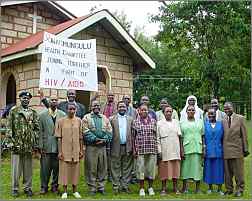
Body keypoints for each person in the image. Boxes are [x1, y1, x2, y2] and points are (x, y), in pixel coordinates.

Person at [6, 91, 40, 197]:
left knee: (28, 169)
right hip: (17, 145)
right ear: (20, 99)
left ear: (29, 100)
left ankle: (27, 188)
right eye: (23, 98)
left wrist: (33, 140)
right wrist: (11, 143)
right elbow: (9, 128)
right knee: (16, 169)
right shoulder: (14, 111)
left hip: (28, 146)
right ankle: (15, 188)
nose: (25, 100)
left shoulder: (33, 113)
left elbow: (37, 128)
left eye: (27, 98)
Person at [82, 100, 112, 195]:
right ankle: (92, 187)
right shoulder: (86, 118)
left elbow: (109, 131)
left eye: (98, 105)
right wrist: (95, 139)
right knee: (91, 168)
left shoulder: (105, 118)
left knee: (102, 167)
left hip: (102, 147)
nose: (96, 107)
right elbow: (85, 131)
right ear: (91, 107)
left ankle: (101, 187)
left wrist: (105, 139)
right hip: (91, 147)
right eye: (94, 105)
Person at [55, 103, 83, 199]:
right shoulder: (61, 121)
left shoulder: (79, 121)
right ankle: (65, 191)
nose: (71, 111)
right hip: (65, 149)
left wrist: (81, 150)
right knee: (64, 170)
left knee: (75, 169)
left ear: (75, 110)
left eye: (73, 109)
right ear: (66, 110)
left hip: (76, 149)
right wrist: (60, 151)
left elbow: (80, 137)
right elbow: (59, 138)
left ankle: (75, 190)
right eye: (70, 109)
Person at [38, 95, 66, 194]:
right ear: (49, 102)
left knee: (57, 168)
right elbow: (40, 132)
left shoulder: (62, 115)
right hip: (46, 146)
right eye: (52, 100)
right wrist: (40, 146)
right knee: (45, 169)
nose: (54, 101)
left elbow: (64, 132)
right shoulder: (42, 115)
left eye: (55, 100)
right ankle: (44, 186)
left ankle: (55, 186)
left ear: (58, 102)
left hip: (58, 147)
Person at [223, 102, 249, 197]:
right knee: (227, 172)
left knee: (238, 172)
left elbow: (244, 135)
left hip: (237, 149)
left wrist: (245, 149)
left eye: (228, 108)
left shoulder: (240, 118)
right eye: (225, 109)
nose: (227, 110)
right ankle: (229, 189)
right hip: (226, 150)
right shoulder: (223, 120)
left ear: (232, 108)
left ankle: (240, 189)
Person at [132, 103, 157, 196]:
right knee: (141, 169)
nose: (144, 111)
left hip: (151, 149)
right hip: (140, 149)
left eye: (145, 110)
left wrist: (157, 149)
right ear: (139, 111)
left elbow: (156, 135)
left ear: (148, 110)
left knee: (151, 169)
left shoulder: (154, 121)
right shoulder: (135, 122)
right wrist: (134, 150)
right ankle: (141, 188)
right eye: (142, 110)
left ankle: (150, 188)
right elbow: (133, 137)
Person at [157, 105, 183, 195]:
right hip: (165, 150)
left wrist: (181, 150)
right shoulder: (159, 123)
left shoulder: (176, 122)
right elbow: (157, 138)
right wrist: (159, 151)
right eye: (166, 111)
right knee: (164, 170)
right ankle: (163, 188)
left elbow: (180, 137)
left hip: (175, 149)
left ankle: (175, 188)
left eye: (170, 111)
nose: (168, 113)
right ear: (163, 113)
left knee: (176, 170)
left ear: (172, 113)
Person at [110, 101, 134, 194]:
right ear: (117, 108)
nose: (122, 108)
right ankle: (116, 186)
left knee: (127, 167)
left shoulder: (131, 119)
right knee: (115, 167)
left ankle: (125, 186)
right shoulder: (112, 119)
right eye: (120, 107)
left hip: (127, 146)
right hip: (115, 146)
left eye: (123, 107)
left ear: (126, 108)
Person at [180, 105, 204, 194]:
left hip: (198, 147)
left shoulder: (200, 122)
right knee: (185, 168)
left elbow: (203, 135)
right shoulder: (182, 123)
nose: (191, 111)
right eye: (189, 110)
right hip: (186, 147)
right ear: (186, 112)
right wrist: (181, 149)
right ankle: (184, 188)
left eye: (192, 110)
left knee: (197, 168)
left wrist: (203, 147)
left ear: (195, 111)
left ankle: (198, 189)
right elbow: (181, 137)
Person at [203, 108, 224, 195]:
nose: (211, 115)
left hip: (219, 150)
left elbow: (223, 138)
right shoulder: (205, 125)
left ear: (216, 114)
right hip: (208, 150)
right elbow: (203, 137)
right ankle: (210, 188)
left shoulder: (221, 124)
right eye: (209, 114)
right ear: (207, 115)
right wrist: (204, 148)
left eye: (213, 114)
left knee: (219, 169)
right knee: (209, 169)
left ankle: (219, 189)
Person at [101, 91, 117, 182]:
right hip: (104, 132)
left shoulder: (116, 107)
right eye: (109, 95)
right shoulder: (103, 106)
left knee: (112, 155)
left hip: (114, 133)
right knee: (104, 155)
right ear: (107, 96)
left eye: (112, 95)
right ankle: (104, 174)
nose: (110, 96)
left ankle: (112, 174)